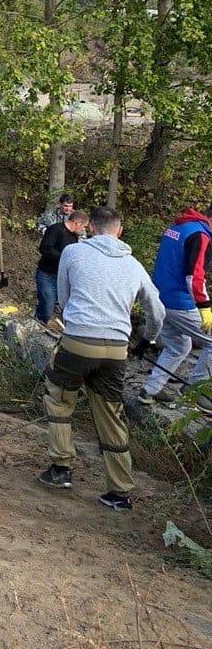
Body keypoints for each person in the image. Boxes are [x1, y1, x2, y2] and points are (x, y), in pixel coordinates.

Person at [38, 205, 164, 511]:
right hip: (117, 348)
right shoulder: (134, 265)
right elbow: (157, 310)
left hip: (79, 340)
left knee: (58, 398)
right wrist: (146, 339)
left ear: (90, 228)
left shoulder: (74, 253)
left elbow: (65, 299)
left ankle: (60, 468)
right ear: (119, 231)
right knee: (111, 412)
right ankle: (119, 492)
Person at [138, 206, 212, 409]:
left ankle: (150, 390)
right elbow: (194, 277)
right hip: (180, 302)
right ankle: (195, 390)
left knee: (179, 346)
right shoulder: (200, 235)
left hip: (160, 297)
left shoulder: (179, 226)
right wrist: (204, 307)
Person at [34, 210, 88, 325]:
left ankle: (43, 321)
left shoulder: (74, 238)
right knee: (48, 307)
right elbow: (44, 249)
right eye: (83, 226)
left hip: (62, 278)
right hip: (46, 274)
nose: (83, 229)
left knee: (61, 307)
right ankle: (38, 320)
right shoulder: (55, 229)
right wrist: (64, 257)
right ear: (77, 223)